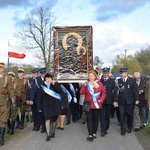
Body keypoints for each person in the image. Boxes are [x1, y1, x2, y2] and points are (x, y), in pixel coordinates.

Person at [80, 70, 106, 141]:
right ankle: (90, 134)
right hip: (88, 104)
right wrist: (84, 86)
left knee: (96, 119)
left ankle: (94, 132)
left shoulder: (100, 84)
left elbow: (103, 93)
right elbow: (81, 93)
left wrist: (101, 99)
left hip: (97, 104)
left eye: (92, 76)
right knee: (89, 119)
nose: (90, 77)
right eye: (89, 76)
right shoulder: (86, 84)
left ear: (95, 76)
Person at [113, 68, 139, 136]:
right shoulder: (118, 81)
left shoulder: (132, 80)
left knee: (129, 115)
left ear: (126, 73)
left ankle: (129, 127)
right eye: (120, 73)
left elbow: (135, 90)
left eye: (122, 73)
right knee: (122, 115)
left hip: (130, 101)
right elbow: (116, 92)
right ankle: (123, 129)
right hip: (121, 101)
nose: (121, 74)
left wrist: (137, 99)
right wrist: (115, 101)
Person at [37, 73, 62, 141]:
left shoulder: (54, 85)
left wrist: (54, 84)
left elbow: (60, 91)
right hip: (46, 106)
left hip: (54, 105)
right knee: (47, 119)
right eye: (46, 78)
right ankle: (48, 134)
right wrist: (39, 107)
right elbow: (39, 98)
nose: (48, 80)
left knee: (54, 120)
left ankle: (53, 132)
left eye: (49, 78)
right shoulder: (42, 86)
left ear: (51, 79)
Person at [100, 67, 117, 136]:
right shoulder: (100, 81)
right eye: (104, 73)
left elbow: (115, 91)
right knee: (102, 116)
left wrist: (115, 100)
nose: (105, 74)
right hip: (101, 101)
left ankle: (106, 127)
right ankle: (103, 130)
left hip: (109, 101)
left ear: (108, 73)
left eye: (107, 73)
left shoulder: (112, 81)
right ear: (103, 74)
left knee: (107, 115)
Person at [0, 63, 14, 146]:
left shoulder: (7, 78)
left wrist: (12, 101)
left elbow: (11, 90)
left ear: (2, 69)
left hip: (4, 103)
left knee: (3, 120)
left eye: (0, 68)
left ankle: (1, 138)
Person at [29, 67, 47, 133]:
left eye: (44, 73)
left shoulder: (48, 79)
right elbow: (33, 90)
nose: (43, 75)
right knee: (40, 113)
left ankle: (46, 125)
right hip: (38, 99)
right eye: (42, 73)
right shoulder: (36, 80)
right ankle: (42, 126)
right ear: (40, 74)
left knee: (46, 113)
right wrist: (31, 99)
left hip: (47, 99)